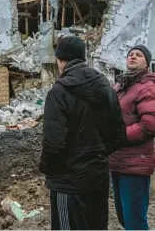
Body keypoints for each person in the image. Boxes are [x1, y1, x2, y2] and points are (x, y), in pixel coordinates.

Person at [39, 36, 127, 230]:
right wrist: (98, 154)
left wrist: (46, 168)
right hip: (98, 177)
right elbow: (119, 135)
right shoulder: (106, 87)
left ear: (60, 60)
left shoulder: (59, 92)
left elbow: (54, 144)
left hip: (68, 182)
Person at [109, 44, 155, 230]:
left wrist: (118, 137)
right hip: (117, 161)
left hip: (135, 164)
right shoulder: (121, 86)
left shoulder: (147, 88)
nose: (133, 57)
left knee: (135, 221)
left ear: (147, 63)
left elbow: (149, 125)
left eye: (138, 55)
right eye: (130, 54)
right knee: (123, 217)